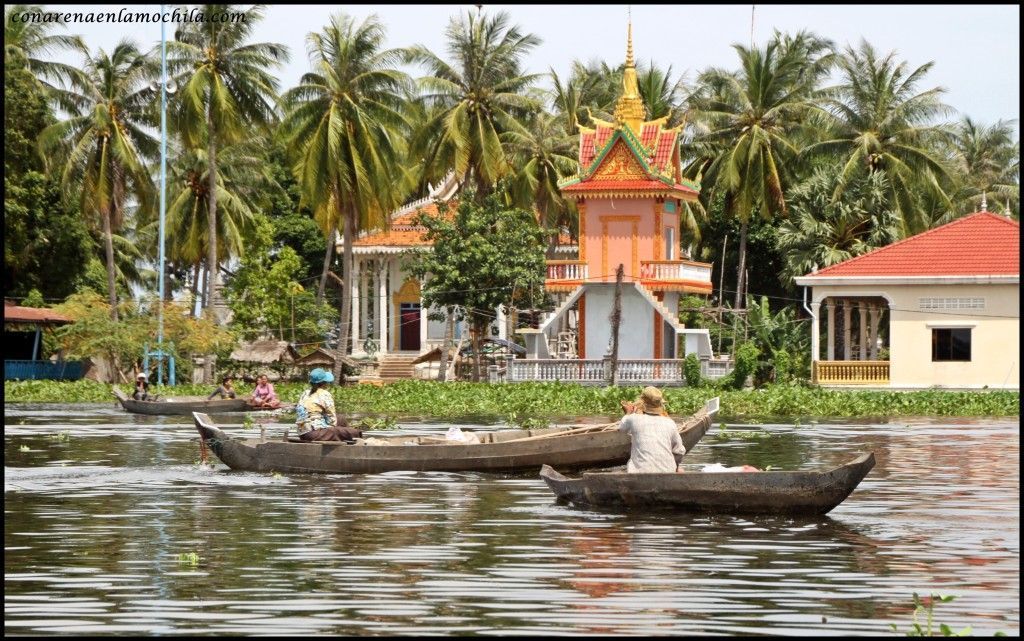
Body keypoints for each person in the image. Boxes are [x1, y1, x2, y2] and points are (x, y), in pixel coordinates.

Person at [618, 386, 686, 473]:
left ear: (642, 403)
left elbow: (621, 428)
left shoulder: (633, 419)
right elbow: (679, 451)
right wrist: (676, 466)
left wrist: (628, 413)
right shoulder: (670, 423)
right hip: (667, 472)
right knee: (680, 470)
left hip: (639, 473)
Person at [295, 368, 363, 442]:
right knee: (352, 432)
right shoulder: (325, 394)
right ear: (324, 383)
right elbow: (332, 420)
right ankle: (354, 439)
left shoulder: (305, 393)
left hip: (302, 433)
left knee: (340, 419)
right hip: (315, 434)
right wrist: (338, 430)